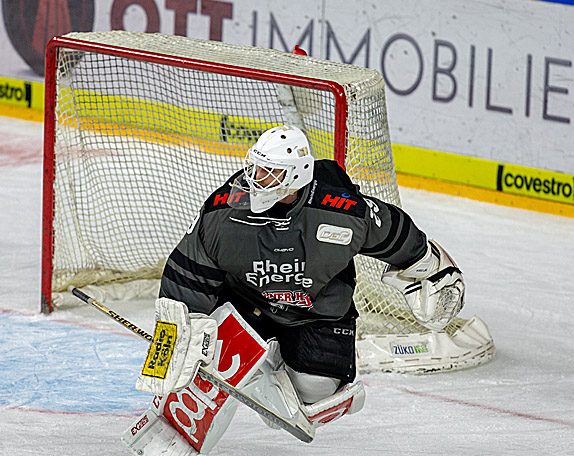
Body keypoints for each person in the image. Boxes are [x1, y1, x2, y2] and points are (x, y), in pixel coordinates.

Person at [138, 123, 466, 428]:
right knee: (208, 351)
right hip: (244, 303)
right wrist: (175, 335)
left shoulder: (342, 212)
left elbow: (394, 231)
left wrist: (431, 266)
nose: (256, 179)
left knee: (315, 392)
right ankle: (249, 360)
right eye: (256, 168)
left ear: (296, 177)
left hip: (316, 312)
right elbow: (188, 272)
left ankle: (282, 363)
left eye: (270, 173)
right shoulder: (225, 211)